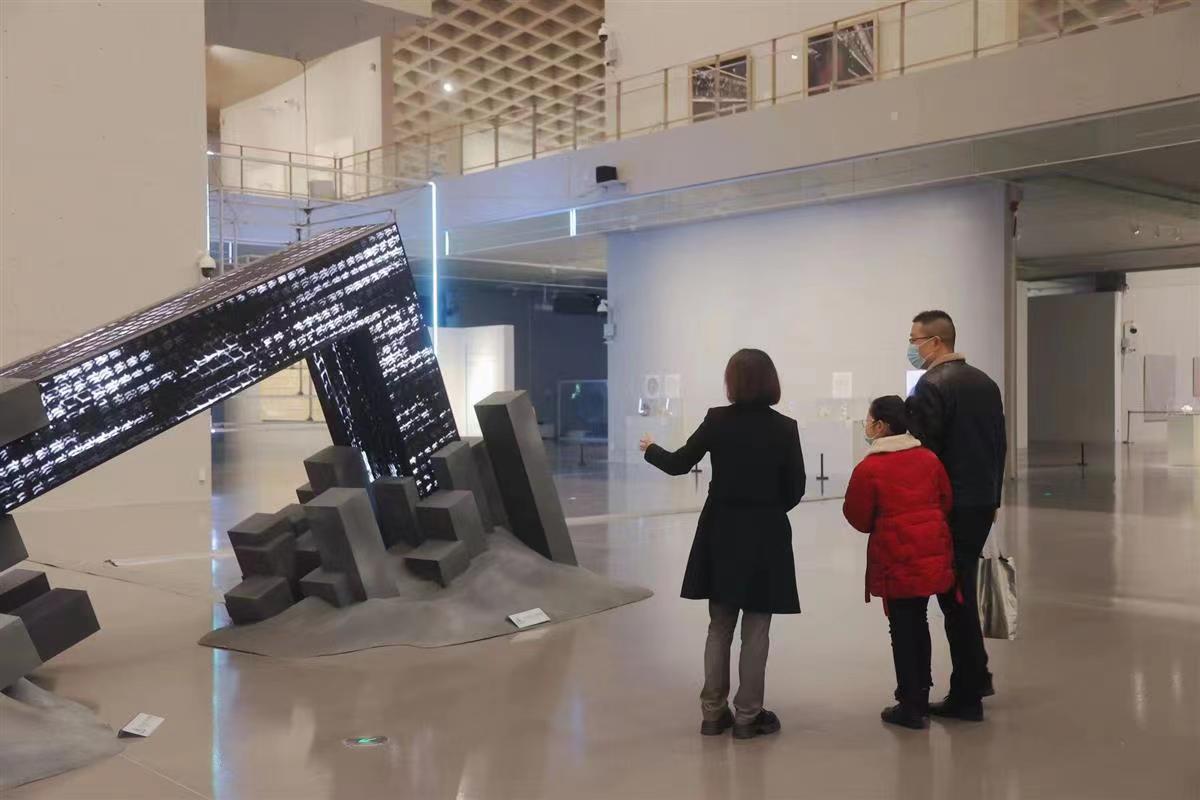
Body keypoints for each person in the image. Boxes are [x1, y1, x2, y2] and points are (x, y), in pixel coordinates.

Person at [639, 348, 805, 740]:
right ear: (771, 381)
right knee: (757, 629)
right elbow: (795, 488)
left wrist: (651, 450)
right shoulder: (785, 427)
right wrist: (767, 509)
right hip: (765, 534)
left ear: (732, 382)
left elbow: (679, 463)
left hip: (720, 531)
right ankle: (748, 716)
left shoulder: (717, 420)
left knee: (719, 625)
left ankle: (712, 714)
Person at [905, 310, 1007, 722]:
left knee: (954, 597)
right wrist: (994, 496)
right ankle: (975, 677)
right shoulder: (985, 383)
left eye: (915, 339)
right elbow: (998, 444)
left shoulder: (931, 386)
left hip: (949, 506)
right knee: (959, 590)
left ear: (936, 342)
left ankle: (968, 691)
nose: (911, 347)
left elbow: (924, 454)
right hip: (980, 502)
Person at [843, 396, 955, 729]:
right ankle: (921, 692)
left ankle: (910, 704)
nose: (866, 425)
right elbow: (946, 499)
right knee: (919, 621)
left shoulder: (869, 468)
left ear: (880, 426)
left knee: (902, 629)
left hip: (895, 558)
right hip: (929, 553)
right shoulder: (929, 458)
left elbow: (858, 516)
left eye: (868, 420)